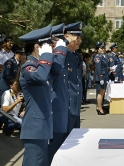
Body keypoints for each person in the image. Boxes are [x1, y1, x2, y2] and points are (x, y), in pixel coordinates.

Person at [19, 24, 64, 166]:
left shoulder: (42, 66)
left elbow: (56, 70)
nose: (51, 48)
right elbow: (40, 77)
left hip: (42, 126)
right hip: (35, 128)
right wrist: (46, 56)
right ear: (37, 47)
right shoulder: (29, 67)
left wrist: (60, 50)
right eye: (49, 45)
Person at [48, 23, 76, 165]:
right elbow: (56, 71)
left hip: (63, 110)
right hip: (55, 112)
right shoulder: (52, 58)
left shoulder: (62, 58)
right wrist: (63, 43)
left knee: (60, 149)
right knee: (52, 152)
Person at [64, 22, 83, 134]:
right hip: (66, 105)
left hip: (75, 103)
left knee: (75, 135)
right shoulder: (62, 54)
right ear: (67, 37)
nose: (79, 41)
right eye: (77, 37)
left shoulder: (75, 55)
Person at [94, 42, 109, 115]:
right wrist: (101, 78)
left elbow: (105, 67)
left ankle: (99, 107)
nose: (103, 49)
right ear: (98, 49)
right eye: (101, 48)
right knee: (100, 93)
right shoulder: (98, 57)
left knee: (103, 93)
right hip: (100, 77)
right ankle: (99, 108)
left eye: (104, 48)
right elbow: (98, 68)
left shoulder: (104, 56)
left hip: (104, 76)